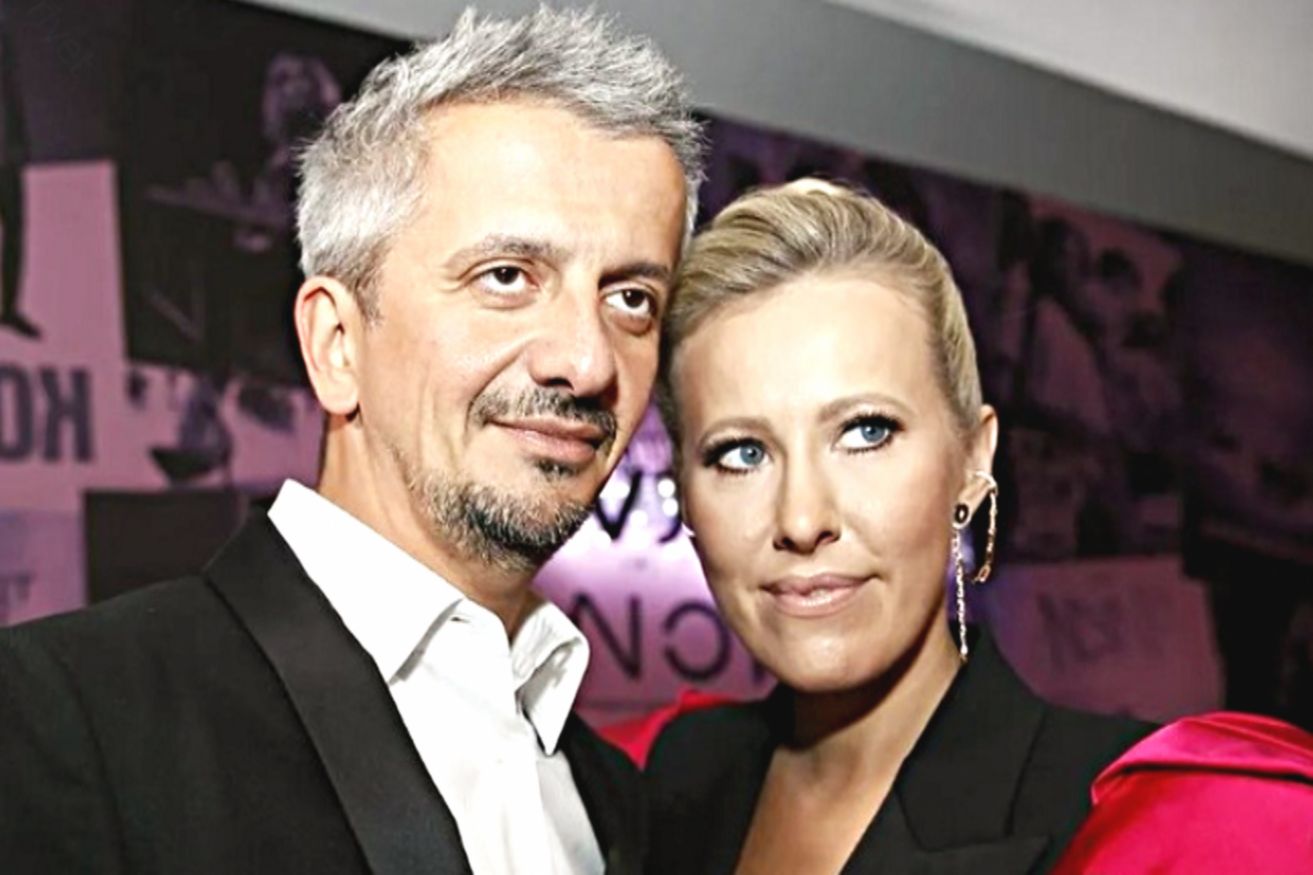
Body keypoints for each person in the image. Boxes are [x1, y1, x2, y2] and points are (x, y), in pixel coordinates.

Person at [0, 8, 701, 875]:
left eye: (630, 298)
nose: (587, 361)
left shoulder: (611, 796)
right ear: (337, 344)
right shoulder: (61, 720)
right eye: (506, 277)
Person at [645, 180, 1149, 874]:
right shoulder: (679, 775)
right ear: (684, 493)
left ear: (972, 459)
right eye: (741, 453)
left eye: (865, 431)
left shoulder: (1125, 821)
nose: (801, 519)